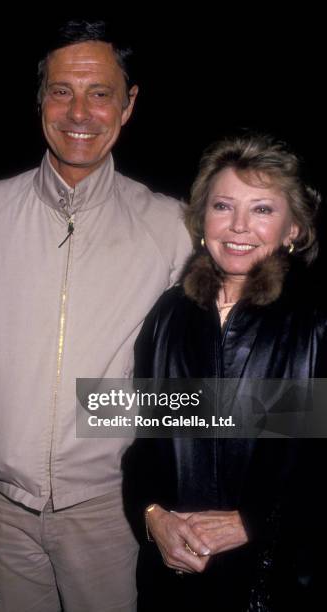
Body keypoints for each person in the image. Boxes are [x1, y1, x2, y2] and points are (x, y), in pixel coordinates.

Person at [0, 20, 191, 612]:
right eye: (61, 90)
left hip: (111, 511)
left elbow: (215, 379)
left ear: (128, 105)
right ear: (39, 99)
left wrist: (111, 426)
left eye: (100, 93)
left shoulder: (173, 229)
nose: (79, 112)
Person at [122, 133, 326, 611]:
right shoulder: (169, 314)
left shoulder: (315, 320)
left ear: (293, 228)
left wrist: (255, 521)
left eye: (262, 210)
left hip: (272, 581)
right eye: (222, 206)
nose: (238, 226)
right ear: (201, 219)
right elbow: (147, 440)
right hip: (175, 577)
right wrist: (153, 515)